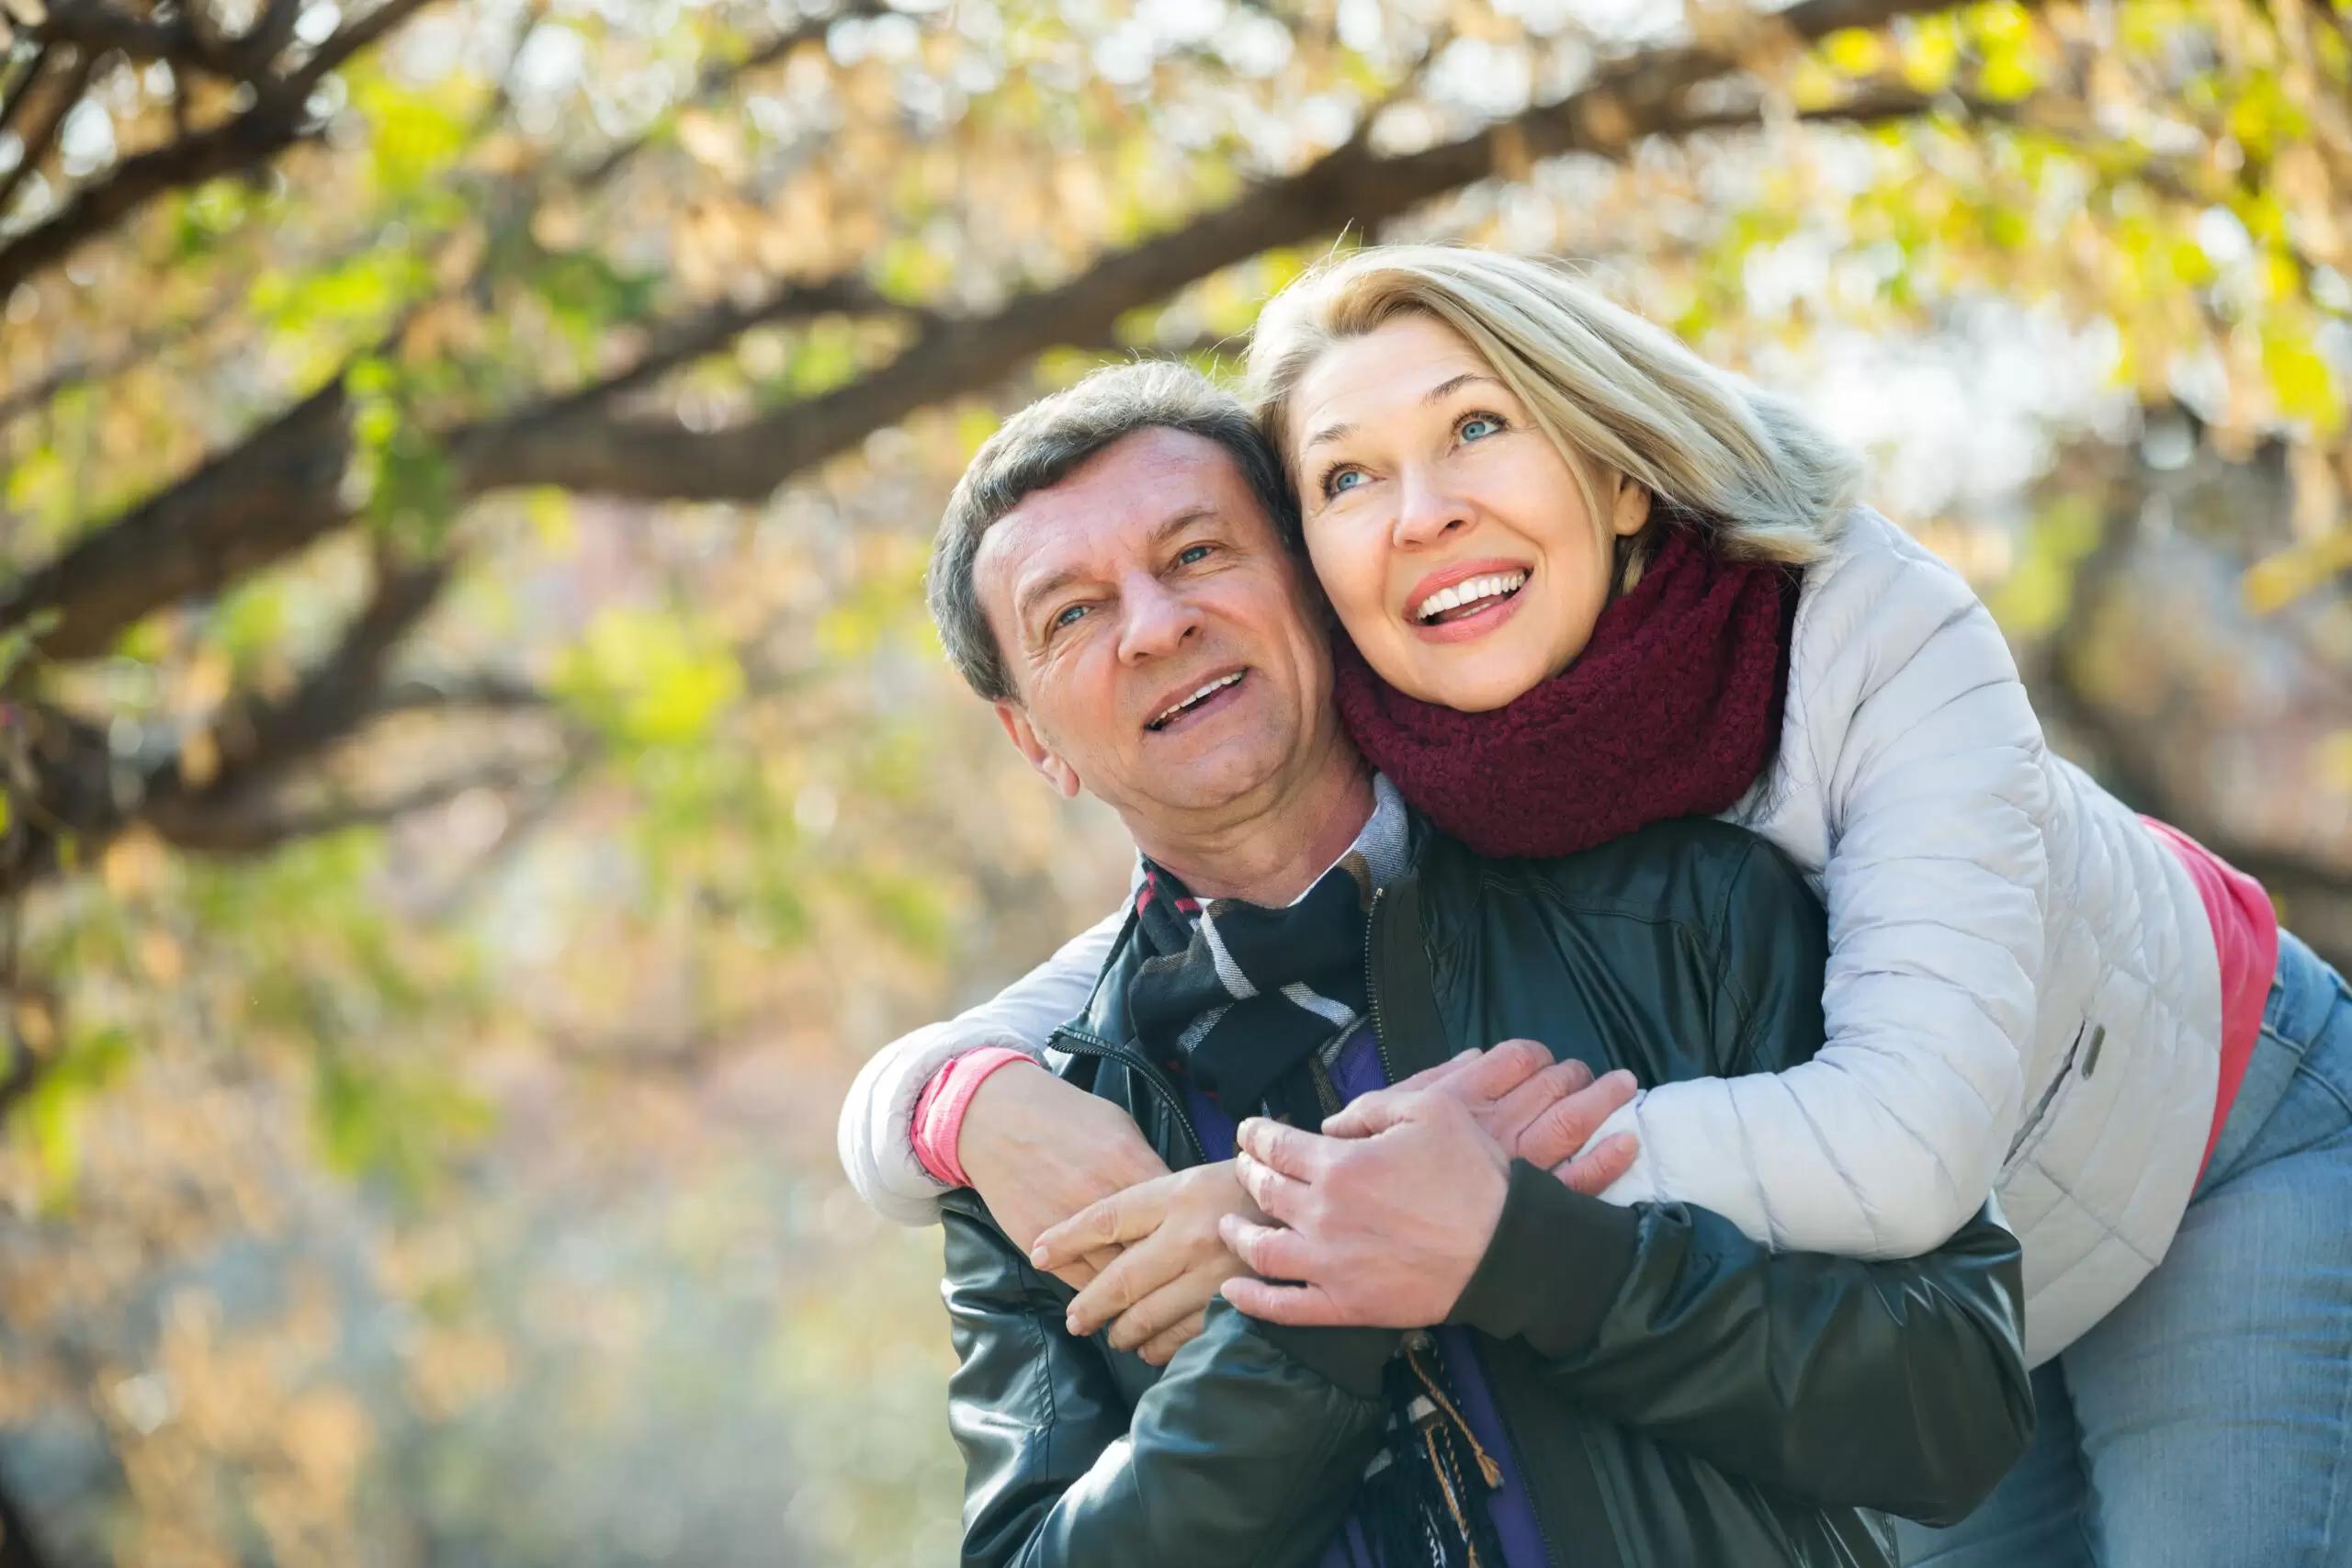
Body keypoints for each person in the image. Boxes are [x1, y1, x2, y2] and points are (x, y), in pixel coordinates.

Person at [845, 246, 2352, 1567]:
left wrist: (1354, 1217)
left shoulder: (1853, 645)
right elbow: (1146, 958)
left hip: (2205, 1125)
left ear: (1615, 465)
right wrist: (956, 1098)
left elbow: (1901, 1163)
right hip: (1984, 1249)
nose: (1424, 517)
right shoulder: (1420, 746)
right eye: (1352, 476)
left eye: (1478, 428)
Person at [920, 360, 2030, 1566]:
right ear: (1033, 738)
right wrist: (1313, 1300)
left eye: (1196, 554)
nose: (1156, 625)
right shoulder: (1042, 1143)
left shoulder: (1674, 904)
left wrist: (1534, 1252)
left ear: (1316, 583)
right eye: (1072, 613)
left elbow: (1957, 1403)